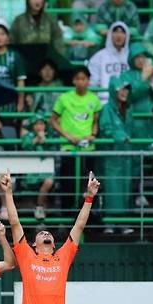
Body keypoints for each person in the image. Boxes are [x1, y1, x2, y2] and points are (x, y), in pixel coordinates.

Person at [0, 170, 100, 304]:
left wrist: (89, 197)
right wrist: (8, 193)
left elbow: (79, 225)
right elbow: (15, 224)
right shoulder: (27, 256)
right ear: (34, 244)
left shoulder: (63, 256)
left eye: (49, 234)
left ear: (54, 244)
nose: (45, 233)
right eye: (41, 233)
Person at [51, 67, 102, 205]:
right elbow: (53, 120)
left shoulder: (94, 99)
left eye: (83, 79)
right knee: (68, 183)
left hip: (88, 148)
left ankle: (90, 219)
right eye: (78, 78)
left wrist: (93, 134)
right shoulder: (64, 98)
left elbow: (96, 121)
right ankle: (66, 216)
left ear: (88, 81)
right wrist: (67, 135)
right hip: (69, 148)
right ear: (74, 80)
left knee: (88, 184)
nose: (81, 82)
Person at [98, 76, 134, 234]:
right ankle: (110, 223)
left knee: (125, 188)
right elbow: (105, 130)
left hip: (125, 157)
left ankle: (124, 223)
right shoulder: (107, 109)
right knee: (112, 189)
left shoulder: (128, 109)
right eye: (121, 89)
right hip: (111, 157)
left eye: (126, 88)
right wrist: (120, 137)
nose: (124, 92)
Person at [120, 42, 153, 140]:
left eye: (143, 56)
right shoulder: (125, 76)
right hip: (134, 121)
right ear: (131, 58)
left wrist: (152, 80)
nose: (140, 60)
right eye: (137, 57)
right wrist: (143, 79)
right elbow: (129, 96)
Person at [88, 21, 131, 106]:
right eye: (115, 32)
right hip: (104, 101)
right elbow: (93, 83)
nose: (119, 35)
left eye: (122, 32)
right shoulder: (99, 56)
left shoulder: (131, 56)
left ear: (127, 36)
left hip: (127, 102)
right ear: (110, 34)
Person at [22, 113, 55, 220]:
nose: (39, 126)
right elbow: (25, 145)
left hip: (46, 171)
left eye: (41, 124)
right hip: (31, 173)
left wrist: (46, 140)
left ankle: (39, 207)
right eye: (36, 124)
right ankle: (39, 212)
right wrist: (36, 140)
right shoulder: (28, 136)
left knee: (49, 182)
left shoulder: (50, 136)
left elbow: (54, 147)